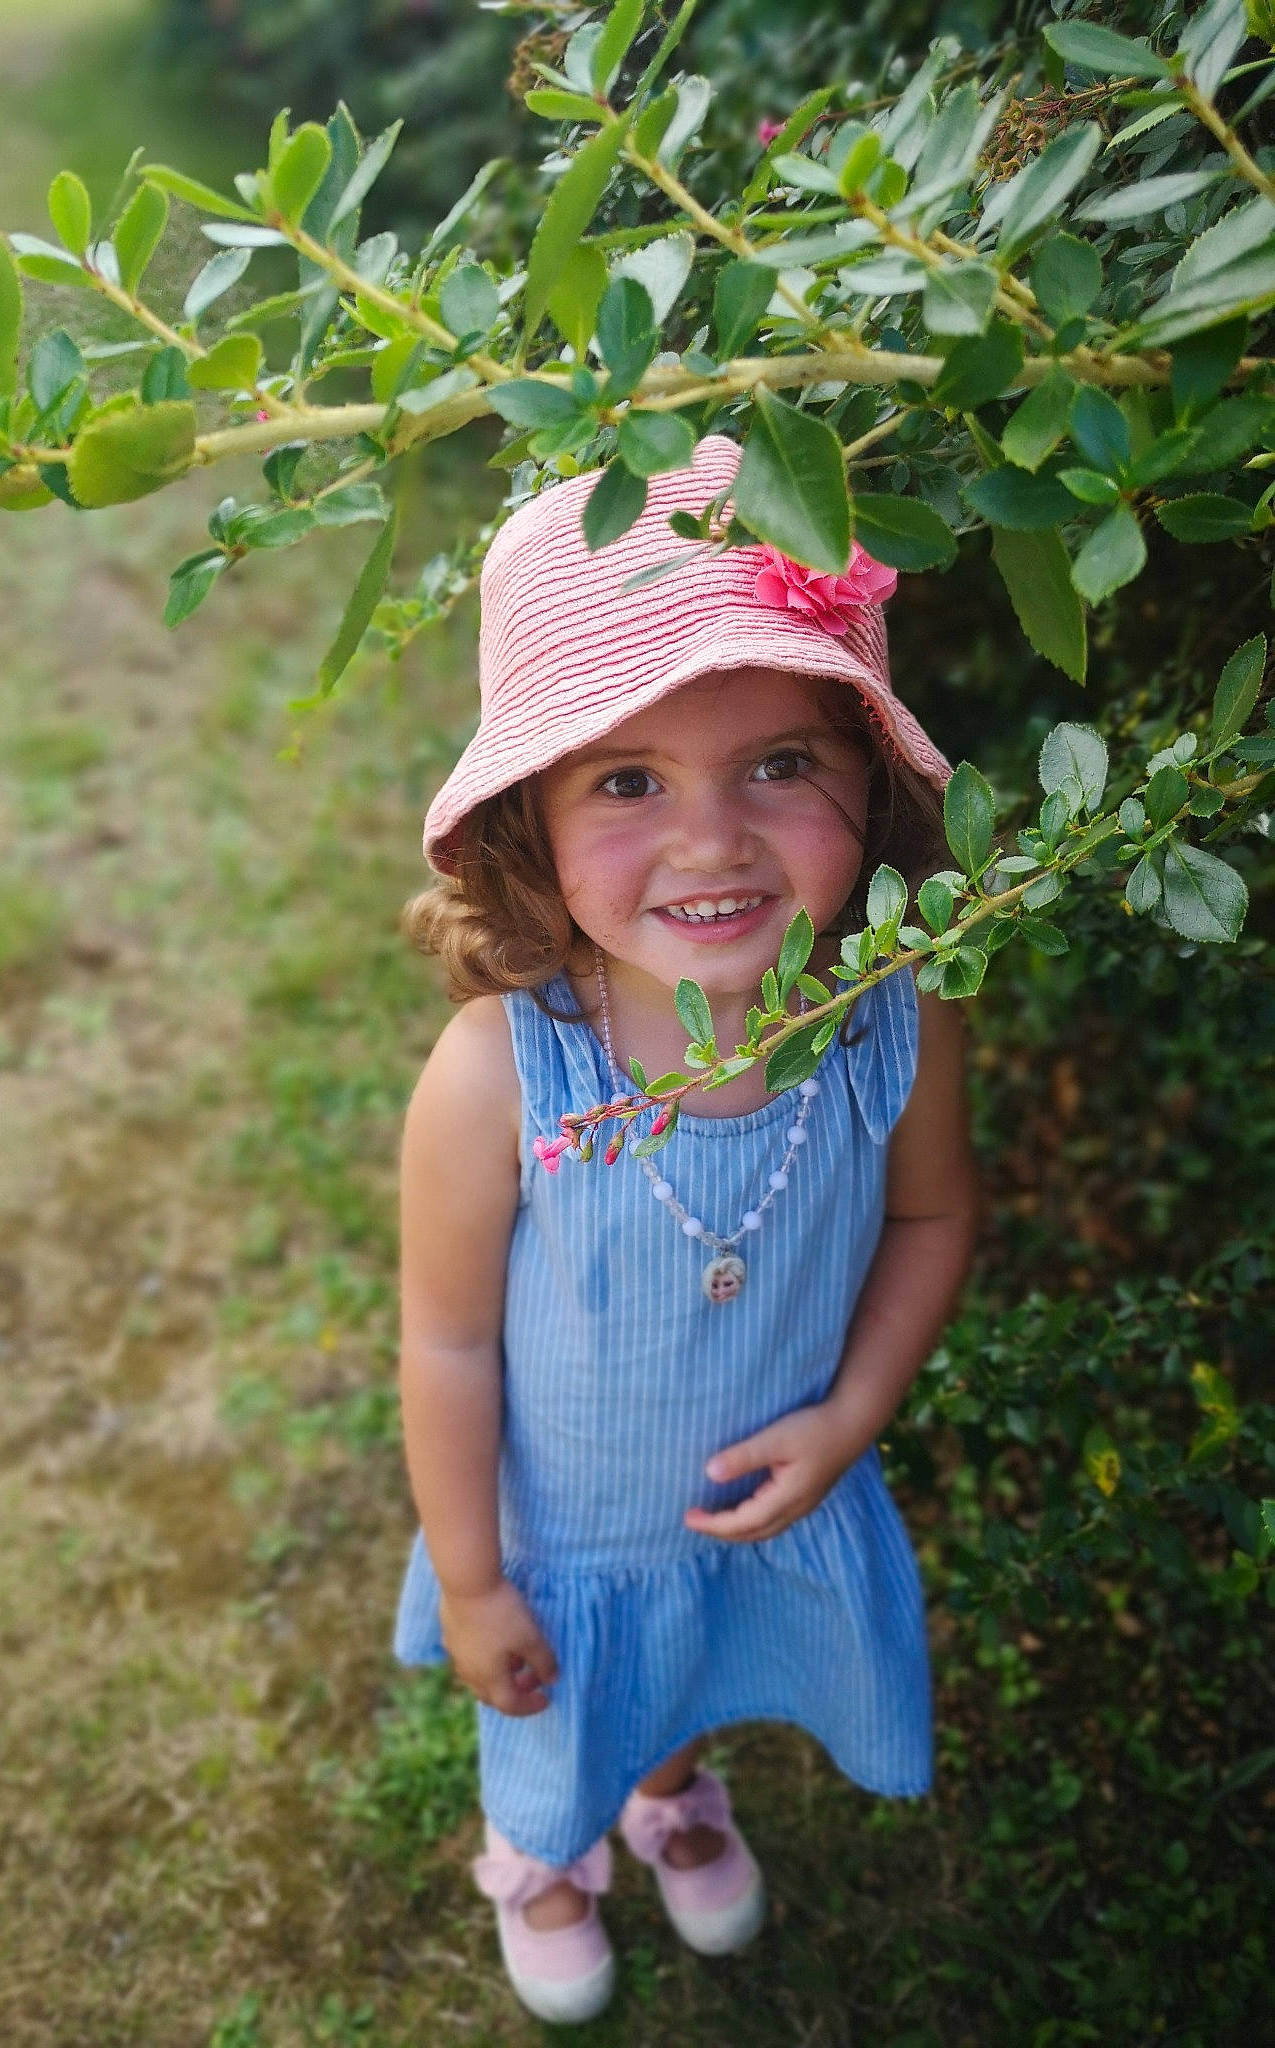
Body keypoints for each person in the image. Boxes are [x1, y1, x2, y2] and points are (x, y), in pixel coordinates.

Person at [393, 435, 979, 2024]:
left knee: (687, 1659)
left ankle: (668, 1794)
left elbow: (935, 1217)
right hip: (562, 1529)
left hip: (750, 1490)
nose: (712, 841)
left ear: (868, 779)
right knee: (557, 1698)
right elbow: (445, 1340)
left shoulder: (891, 1019)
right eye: (628, 781)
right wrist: (473, 1583)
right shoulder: (503, 1077)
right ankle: (545, 1857)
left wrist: (852, 1419)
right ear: (528, 818)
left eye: (780, 763)